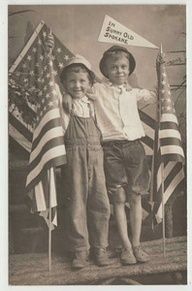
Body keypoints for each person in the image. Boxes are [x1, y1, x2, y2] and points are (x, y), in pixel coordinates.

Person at [63, 45, 156, 266]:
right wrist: (67, 94)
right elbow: (78, 85)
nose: (119, 71)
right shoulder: (99, 90)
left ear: (129, 69)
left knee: (135, 198)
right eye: (113, 67)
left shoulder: (135, 93)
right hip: (111, 149)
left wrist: (160, 70)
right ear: (105, 70)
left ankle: (136, 245)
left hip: (135, 147)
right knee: (118, 198)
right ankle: (124, 247)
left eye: (124, 67)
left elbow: (155, 94)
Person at [58, 55, 111, 269]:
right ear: (64, 84)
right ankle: (80, 250)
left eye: (82, 81)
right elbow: (52, 86)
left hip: (97, 156)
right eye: (72, 81)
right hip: (74, 157)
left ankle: (100, 248)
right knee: (76, 204)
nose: (77, 85)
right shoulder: (64, 104)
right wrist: (63, 94)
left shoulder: (95, 104)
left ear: (90, 83)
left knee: (101, 203)